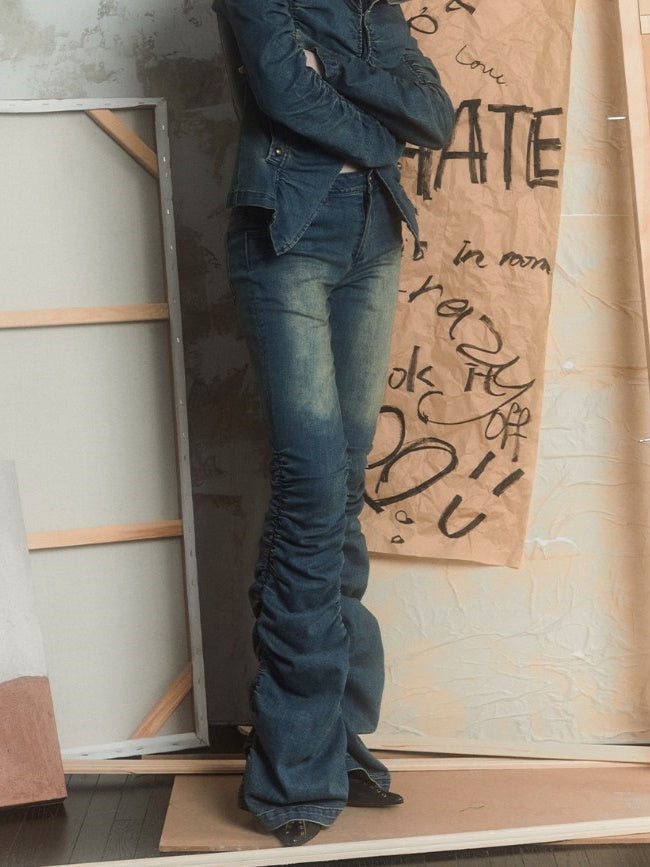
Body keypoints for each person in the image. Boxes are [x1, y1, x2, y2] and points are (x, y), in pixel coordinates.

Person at [213, 0, 454, 848]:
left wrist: (341, 69)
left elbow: (435, 113)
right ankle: (293, 775)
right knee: (311, 487)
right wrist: (383, 127)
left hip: (373, 233)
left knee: (341, 490)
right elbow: (283, 91)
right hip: (288, 228)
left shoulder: (372, 2)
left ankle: (335, 742)